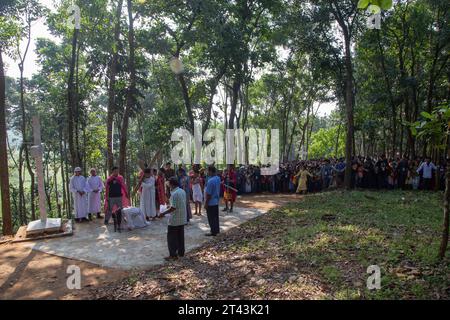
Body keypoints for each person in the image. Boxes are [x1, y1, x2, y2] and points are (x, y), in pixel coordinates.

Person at [159, 177, 187, 261]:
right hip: (182, 218)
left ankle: (173, 255)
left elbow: (173, 208)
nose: (168, 187)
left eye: (169, 185)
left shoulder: (175, 194)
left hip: (174, 219)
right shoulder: (182, 191)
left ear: (171, 184)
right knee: (180, 236)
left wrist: (163, 213)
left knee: (171, 238)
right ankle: (181, 252)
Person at [204, 165, 221, 236]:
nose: (207, 172)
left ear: (210, 171)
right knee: (215, 217)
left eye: (208, 171)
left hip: (211, 202)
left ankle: (213, 231)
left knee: (211, 218)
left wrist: (206, 203)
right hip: (216, 201)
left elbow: (209, 195)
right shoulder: (218, 178)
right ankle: (216, 230)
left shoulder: (210, 181)